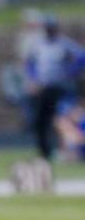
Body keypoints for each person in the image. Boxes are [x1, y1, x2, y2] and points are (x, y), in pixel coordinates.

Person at [24, 16, 85, 161]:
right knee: (41, 121)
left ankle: (68, 149)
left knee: (64, 118)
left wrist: (70, 72)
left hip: (61, 87)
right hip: (44, 88)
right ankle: (45, 152)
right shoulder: (38, 45)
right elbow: (30, 63)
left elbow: (81, 57)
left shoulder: (64, 44)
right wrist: (33, 78)